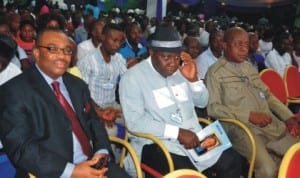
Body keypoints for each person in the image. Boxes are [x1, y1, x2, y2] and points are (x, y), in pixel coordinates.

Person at [0, 29, 130, 178]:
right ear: (36, 53)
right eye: (52, 49)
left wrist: (102, 151)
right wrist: (72, 171)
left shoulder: (77, 84)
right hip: (53, 172)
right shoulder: (13, 91)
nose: (62, 56)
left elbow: (94, 121)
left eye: (67, 50)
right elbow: (21, 148)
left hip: (94, 165)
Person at [119, 26, 243, 178]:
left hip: (196, 136)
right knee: (188, 175)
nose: (172, 63)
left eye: (176, 57)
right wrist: (177, 133)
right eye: (166, 58)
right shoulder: (133, 78)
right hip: (157, 143)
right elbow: (135, 122)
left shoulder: (181, 70)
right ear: (152, 52)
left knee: (235, 162)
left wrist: (194, 80)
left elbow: (202, 103)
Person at [206, 27, 300, 178]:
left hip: (268, 124)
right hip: (240, 129)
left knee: (296, 154)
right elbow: (213, 108)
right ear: (224, 45)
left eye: (246, 44)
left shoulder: (248, 67)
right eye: (238, 44)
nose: (244, 49)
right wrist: (248, 116)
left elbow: (268, 96)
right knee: (268, 169)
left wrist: (289, 117)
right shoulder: (215, 73)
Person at [77, 23, 127, 138]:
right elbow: (82, 93)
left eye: (120, 42)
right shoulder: (88, 60)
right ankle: (109, 155)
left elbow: (128, 80)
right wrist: (99, 113)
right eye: (114, 40)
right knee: (110, 132)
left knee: (136, 120)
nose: (117, 45)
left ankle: (133, 153)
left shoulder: (118, 58)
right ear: (103, 37)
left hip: (112, 105)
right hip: (93, 107)